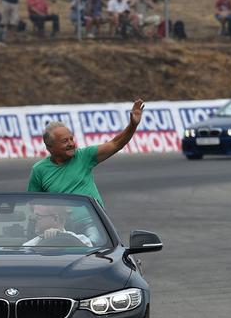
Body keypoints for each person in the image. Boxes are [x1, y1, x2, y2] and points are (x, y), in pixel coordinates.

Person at [27, 98, 144, 242]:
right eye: (65, 141)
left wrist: (132, 125)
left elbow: (115, 143)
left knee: (94, 248)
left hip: (92, 222)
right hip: (60, 226)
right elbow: (34, 206)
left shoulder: (84, 156)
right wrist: (45, 228)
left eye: (71, 139)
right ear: (50, 147)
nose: (71, 144)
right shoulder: (39, 170)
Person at [23, 204, 92, 247]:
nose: (33, 220)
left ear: (56, 219)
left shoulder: (83, 240)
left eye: (38, 216)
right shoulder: (28, 246)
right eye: (34, 216)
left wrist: (60, 235)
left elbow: (89, 260)